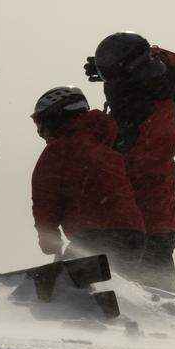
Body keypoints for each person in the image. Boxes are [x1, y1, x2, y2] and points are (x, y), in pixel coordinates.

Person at [89, 32, 175, 291]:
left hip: (142, 217)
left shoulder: (138, 109)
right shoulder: (160, 84)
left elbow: (127, 160)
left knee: (146, 292)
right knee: (156, 287)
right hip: (159, 215)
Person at [30, 86, 146, 279]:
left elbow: (45, 199)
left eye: (42, 124)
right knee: (115, 289)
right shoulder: (106, 146)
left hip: (95, 235)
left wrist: (48, 238)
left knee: (67, 291)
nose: (41, 133)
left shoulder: (59, 150)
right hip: (133, 235)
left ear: (58, 117)